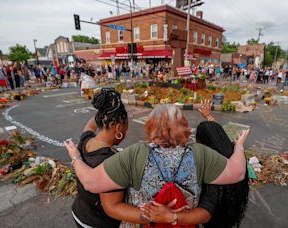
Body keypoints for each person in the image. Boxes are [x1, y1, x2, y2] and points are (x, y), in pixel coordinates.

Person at [65, 104, 249, 226]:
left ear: (150, 127)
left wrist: (76, 158)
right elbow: (239, 172)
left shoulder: (134, 154)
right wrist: (239, 147)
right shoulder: (202, 154)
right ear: (184, 126)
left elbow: (90, 182)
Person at [72, 88, 129, 228]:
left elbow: (89, 126)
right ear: (118, 127)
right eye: (126, 126)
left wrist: (106, 107)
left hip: (79, 212)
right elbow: (113, 208)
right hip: (96, 223)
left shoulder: (86, 140)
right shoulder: (110, 162)